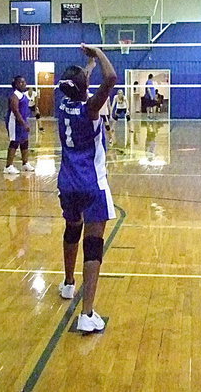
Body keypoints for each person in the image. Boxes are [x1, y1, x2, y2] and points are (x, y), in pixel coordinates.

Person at [56, 44, 117, 333]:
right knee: (93, 245)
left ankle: (69, 284)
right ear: (85, 89)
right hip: (91, 183)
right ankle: (87, 313)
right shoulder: (90, 109)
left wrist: (88, 64)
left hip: (67, 183)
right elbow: (112, 78)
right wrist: (99, 53)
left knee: (71, 229)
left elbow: (80, 84)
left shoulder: (62, 105)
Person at [3, 75, 33, 174]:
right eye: (22, 82)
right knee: (14, 142)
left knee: (24, 141)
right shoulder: (14, 95)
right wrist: (23, 123)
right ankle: (8, 166)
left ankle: (25, 164)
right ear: (16, 84)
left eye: (24, 82)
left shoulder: (23, 94)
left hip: (22, 121)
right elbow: (15, 110)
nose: (24, 84)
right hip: (14, 122)